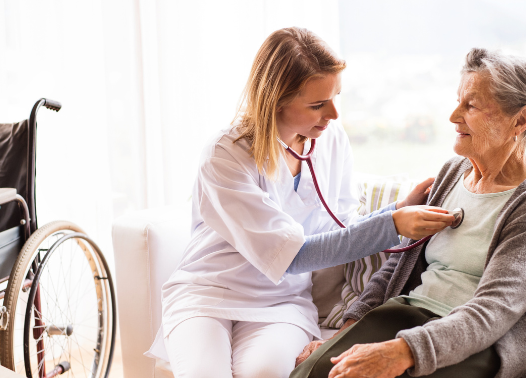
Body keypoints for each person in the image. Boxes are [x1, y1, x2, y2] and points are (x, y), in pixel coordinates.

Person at [145, 27, 456, 378]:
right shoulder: (225, 155)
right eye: (317, 105)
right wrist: (392, 225)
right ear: (276, 101)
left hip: (281, 300)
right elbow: (296, 256)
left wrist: (396, 210)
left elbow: (340, 228)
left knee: (265, 373)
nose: (334, 114)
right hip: (209, 292)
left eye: (336, 96)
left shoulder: (331, 139)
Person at [293, 48, 526, 378]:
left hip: (488, 342)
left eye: (471, 105)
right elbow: (400, 263)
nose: (454, 116)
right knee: (314, 372)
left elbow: (493, 311)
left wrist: (402, 352)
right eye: (458, 101)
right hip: (412, 315)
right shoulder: (453, 173)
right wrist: (346, 333)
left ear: (521, 119)